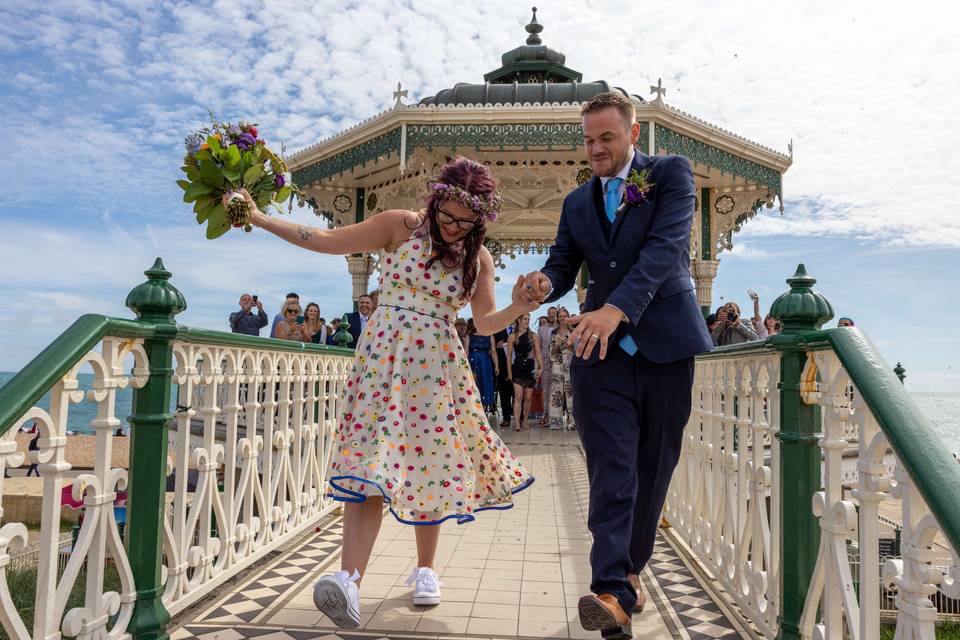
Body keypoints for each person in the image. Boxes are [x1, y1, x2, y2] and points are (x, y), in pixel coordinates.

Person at [235, 156, 535, 628]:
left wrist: (518, 305)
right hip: (383, 363)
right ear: (435, 200)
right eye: (448, 215)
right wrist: (259, 217)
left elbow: (483, 323)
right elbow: (327, 240)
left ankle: (425, 571)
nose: (455, 228)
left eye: (466, 221)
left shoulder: (478, 257)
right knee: (367, 465)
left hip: (437, 367)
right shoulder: (401, 226)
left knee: (431, 463)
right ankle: (349, 581)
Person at [518, 91, 714, 638]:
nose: (596, 148)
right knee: (612, 469)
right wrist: (542, 283)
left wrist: (615, 309)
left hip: (664, 348)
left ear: (631, 135)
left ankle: (628, 570)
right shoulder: (577, 202)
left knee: (653, 469)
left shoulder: (670, 174)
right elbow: (564, 263)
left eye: (606, 137)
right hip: (596, 355)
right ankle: (609, 590)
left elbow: (663, 251)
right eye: (588, 139)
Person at [506, 313, 542, 432]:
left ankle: (525, 419)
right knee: (518, 397)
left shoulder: (533, 335)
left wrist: (540, 367)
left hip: (530, 366)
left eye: (528, 319)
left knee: (527, 397)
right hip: (518, 366)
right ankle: (517, 422)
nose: (527, 321)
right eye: (525, 319)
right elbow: (509, 356)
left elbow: (537, 353)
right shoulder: (512, 336)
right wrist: (509, 372)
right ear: (519, 320)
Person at [548, 307, 576, 431]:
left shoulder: (574, 331)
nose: (562, 318)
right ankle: (555, 422)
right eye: (560, 316)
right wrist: (558, 345)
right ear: (557, 318)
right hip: (557, 365)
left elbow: (576, 350)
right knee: (556, 392)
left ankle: (573, 422)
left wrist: (569, 344)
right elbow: (552, 352)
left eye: (564, 316)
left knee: (571, 393)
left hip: (570, 364)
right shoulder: (553, 333)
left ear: (568, 317)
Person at [466, 318, 497, 413]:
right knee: (475, 383)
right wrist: (465, 366)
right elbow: (466, 352)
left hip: (485, 363)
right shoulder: (469, 336)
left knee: (485, 383)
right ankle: (474, 409)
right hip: (473, 362)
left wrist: (497, 365)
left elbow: (493, 351)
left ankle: (484, 409)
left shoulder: (489, 335)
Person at [537, 306, 559, 425]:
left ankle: (556, 416)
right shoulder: (542, 329)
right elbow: (538, 347)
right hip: (545, 363)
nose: (551, 315)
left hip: (558, 363)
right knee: (546, 390)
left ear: (556, 314)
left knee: (556, 390)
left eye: (553, 313)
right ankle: (546, 414)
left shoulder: (560, 328)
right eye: (549, 313)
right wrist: (539, 365)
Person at [492, 327, 514, 428]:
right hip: (502, 366)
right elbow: (491, 347)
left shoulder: (520, 329)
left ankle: (520, 416)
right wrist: (497, 346)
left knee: (517, 392)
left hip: (516, 365)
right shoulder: (497, 329)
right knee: (504, 392)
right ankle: (506, 417)